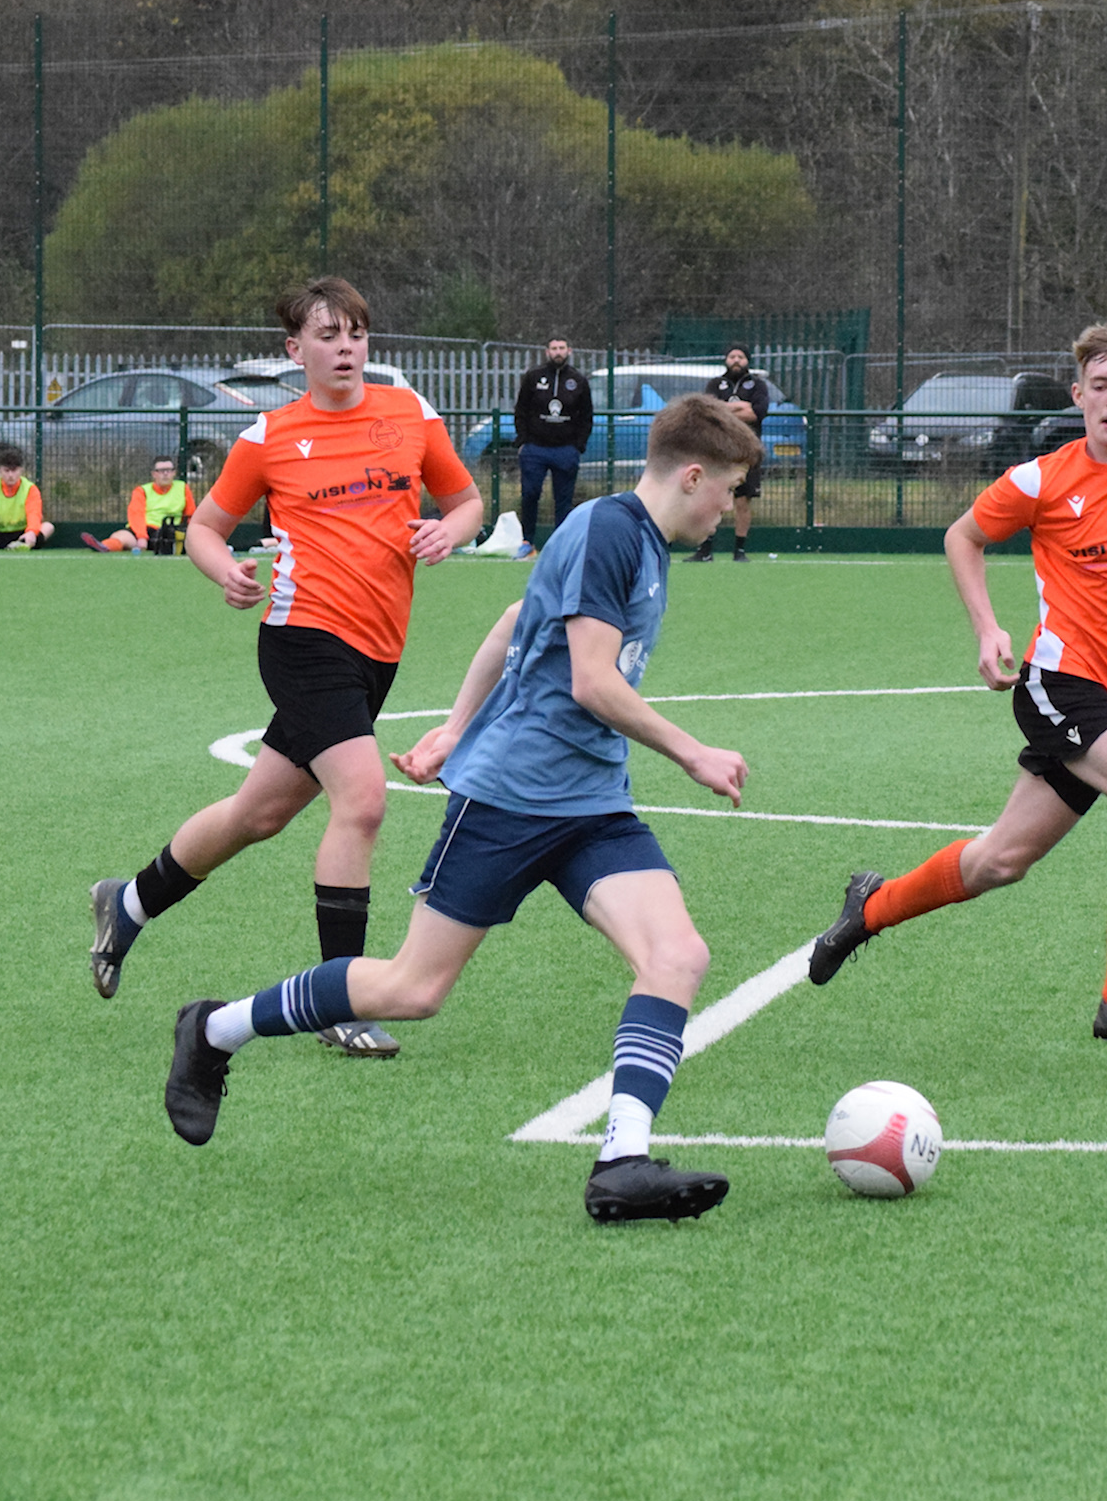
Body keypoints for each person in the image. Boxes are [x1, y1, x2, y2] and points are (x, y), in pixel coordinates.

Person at [160, 395, 759, 1222]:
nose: (731, 506)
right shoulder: (611, 531)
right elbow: (590, 678)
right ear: (693, 475)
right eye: (728, 488)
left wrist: (451, 725)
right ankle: (215, 1028)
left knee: (677, 955)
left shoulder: (640, 543)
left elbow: (516, 619)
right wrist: (692, 751)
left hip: (590, 802)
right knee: (413, 988)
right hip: (511, 800)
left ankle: (621, 1160)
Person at [806, 321, 1107, 1045]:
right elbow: (963, 535)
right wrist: (988, 628)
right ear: (1079, 394)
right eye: (1101, 387)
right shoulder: (1044, 478)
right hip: (1063, 679)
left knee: (1001, 860)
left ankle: (868, 908)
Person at [88, 277, 484, 1060]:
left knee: (257, 815)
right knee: (364, 801)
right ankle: (340, 997)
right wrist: (224, 571)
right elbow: (206, 527)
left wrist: (453, 531)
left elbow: (465, 499)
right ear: (292, 349)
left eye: (357, 333)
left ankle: (126, 902)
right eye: (329, 334)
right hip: (302, 640)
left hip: (377, 652)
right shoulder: (269, 436)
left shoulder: (410, 416)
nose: (346, 347)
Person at [512, 335, 592, 556]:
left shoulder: (578, 381)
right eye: (554, 348)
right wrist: (523, 441)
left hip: (566, 450)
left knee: (563, 500)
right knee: (530, 494)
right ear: (547, 352)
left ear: (569, 351)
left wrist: (578, 446)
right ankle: (527, 542)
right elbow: (521, 410)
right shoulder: (533, 377)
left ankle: (561, 545)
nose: (558, 352)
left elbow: (586, 416)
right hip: (535, 449)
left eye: (562, 348)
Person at [693, 345, 773, 562]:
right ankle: (705, 550)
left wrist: (725, 409)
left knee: (743, 500)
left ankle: (739, 551)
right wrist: (739, 408)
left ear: (748, 360)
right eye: (732, 356)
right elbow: (709, 411)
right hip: (719, 450)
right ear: (725, 359)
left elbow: (757, 413)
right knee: (712, 498)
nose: (736, 360)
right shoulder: (714, 384)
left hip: (747, 451)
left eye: (741, 356)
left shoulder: (758, 385)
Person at [80, 456, 194, 553]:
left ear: (174, 473)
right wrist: (142, 537)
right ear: (154, 474)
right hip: (145, 530)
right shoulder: (142, 491)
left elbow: (191, 514)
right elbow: (136, 515)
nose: (165, 474)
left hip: (168, 532)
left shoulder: (183, 488)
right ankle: (104, 546)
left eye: (169, 470)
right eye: (161, 471)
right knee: (121, 535)